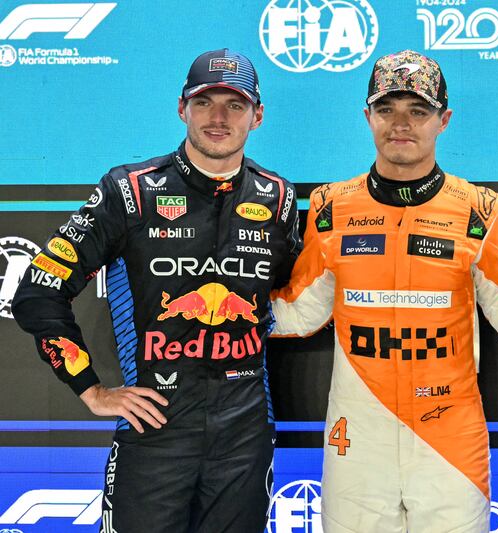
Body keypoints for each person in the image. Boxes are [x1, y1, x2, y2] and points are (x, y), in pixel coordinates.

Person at [13, 49, 301, 533]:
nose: (218, 117)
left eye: (235, 105)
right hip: (153, 433)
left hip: (244, 439)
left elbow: (297, 296)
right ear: (182, 108)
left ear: (257, 116)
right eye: (204, 101)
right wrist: (91, 390)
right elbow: (37, 292)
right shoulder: (129, 191)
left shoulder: (278, 198)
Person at [271, 49, 498, 532]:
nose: (400, 124)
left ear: (443, 120)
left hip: (449, 436)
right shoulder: (330, 206)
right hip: (357, 437)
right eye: (386, 109)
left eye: (418, 111)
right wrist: (213, 305)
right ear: (368, 117)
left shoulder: (481, 209)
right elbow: (299, 310)